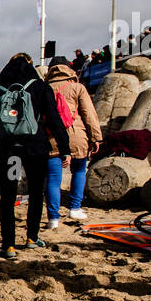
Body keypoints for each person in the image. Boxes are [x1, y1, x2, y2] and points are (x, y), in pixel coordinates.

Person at [0, 53, 71, 258]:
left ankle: (9, 245)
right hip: (35, 150)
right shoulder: (40, 87)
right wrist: (65, 149)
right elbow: (55, 121)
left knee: (9, 196)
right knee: (36, 192)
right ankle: (32, 237)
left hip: (10, 151)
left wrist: (4, 132)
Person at [44, 58, 102, 226]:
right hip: (76, 136)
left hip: (51, 138)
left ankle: (53, 218)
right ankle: (75, 208)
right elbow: (89, 114)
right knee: (78, 171)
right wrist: (95, 137)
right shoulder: (77, 88)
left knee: (54, 178)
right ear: (68, 69)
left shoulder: (44, 88)